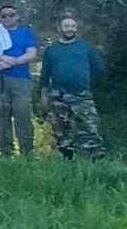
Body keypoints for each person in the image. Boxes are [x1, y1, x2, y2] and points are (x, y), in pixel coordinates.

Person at [41, 15, 107, 160]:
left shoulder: (86, 48)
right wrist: (44, 95)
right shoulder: (51, 50)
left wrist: (86, 83)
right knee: (61, 132)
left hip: (82, 95)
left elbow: (99, 69)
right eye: (66, 26)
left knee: (89, 128)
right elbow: (45, 75)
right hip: (58, 96)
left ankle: (96, 161)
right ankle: (66, 160)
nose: (70, 29)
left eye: (73, 26)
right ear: (59, 28)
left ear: (76, 29)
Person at [0, 3, 40, 157]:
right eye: (4, 16)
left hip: (20, 79)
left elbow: (31, 54)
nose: (7, 18)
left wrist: (14, 62)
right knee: (1, 114)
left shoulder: (25, 32)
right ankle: (6, 152)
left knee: (23, 114)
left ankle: (27, 153)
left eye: (11, 15)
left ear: (17, 16)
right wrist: (0, 58)